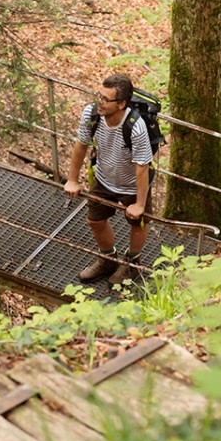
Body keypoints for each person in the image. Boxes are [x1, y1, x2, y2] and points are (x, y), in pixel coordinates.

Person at [64, 72, 152, 284]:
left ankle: (132, 263)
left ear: (121, 104)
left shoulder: (136, 127)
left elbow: (142, 167)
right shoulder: (91, 114)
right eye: (99, 96)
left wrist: (140, 204)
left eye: (105, 99)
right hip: (104, 177)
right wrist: (72, 179)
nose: (99, 102)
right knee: (95, 219)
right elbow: (81, 145)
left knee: (138, 223)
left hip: (132, 184)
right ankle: (108, 258)